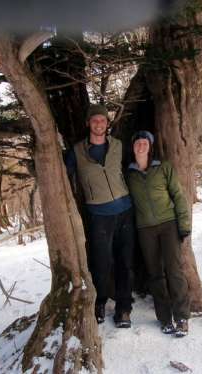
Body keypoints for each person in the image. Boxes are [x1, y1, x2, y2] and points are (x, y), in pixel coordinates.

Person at [65, 104, 134, 328]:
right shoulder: (77, 152)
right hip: (98, 215)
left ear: (107, 124)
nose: (99, 124)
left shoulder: (118, 146)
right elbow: (63, 177)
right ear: (88, 123)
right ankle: (100, 302)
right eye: (94, 120)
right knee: (101, 263)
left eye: (102, 121)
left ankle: (124, 309)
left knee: (125, 262)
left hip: (124, 211)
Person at [127, 130, 191, 337]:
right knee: (155, 274)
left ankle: (181, 317)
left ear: (150, 146)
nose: (141, 146)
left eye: (145, 142)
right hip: (145, 229)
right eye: (137, 142)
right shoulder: (129, 174)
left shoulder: (163, 167)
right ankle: (165, 318)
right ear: (133, 147)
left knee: (175, 271)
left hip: (168, 224)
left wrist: (184, 224)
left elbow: (179, 196)